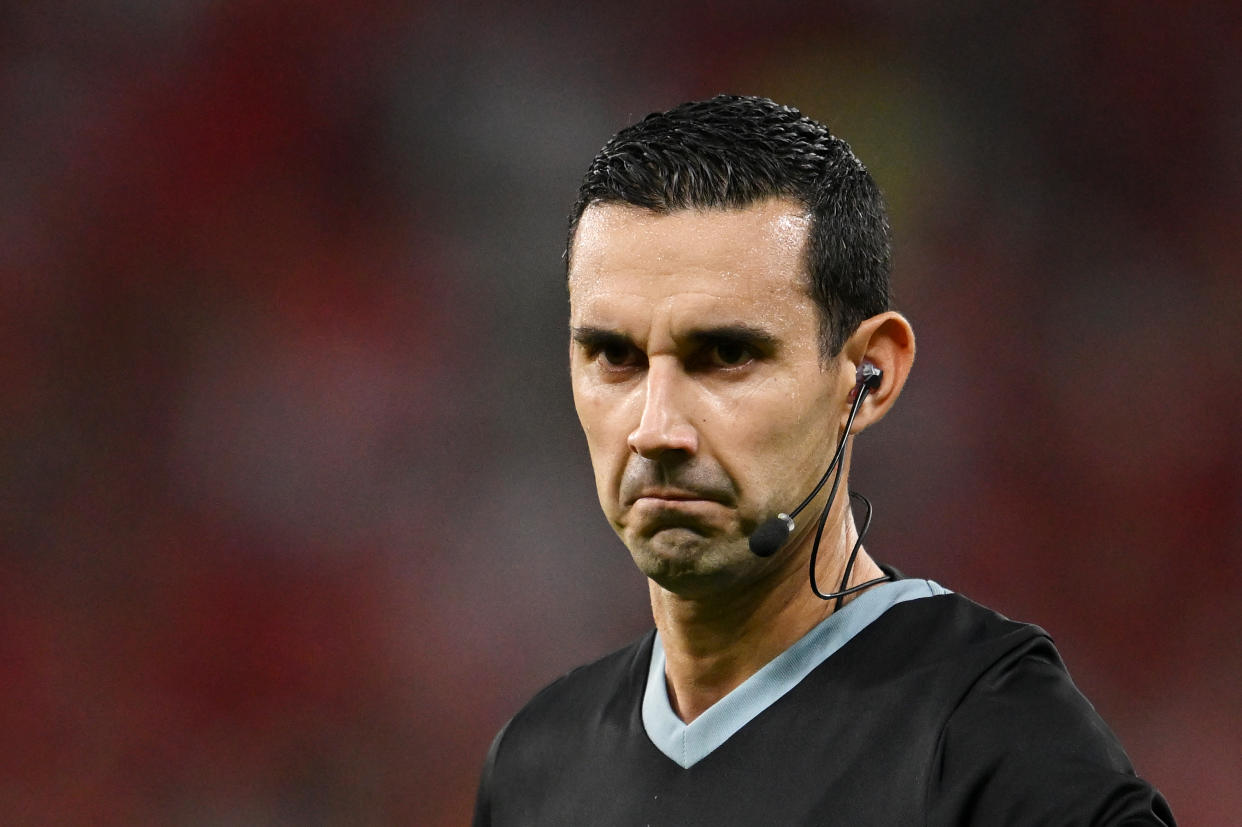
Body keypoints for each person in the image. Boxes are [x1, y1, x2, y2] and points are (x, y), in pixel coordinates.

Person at [472, 94, 1174, 825]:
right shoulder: (535, 764)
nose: (656, 429)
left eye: (727, 354)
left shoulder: (989, 745)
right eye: (615, 355)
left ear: (869, 374)